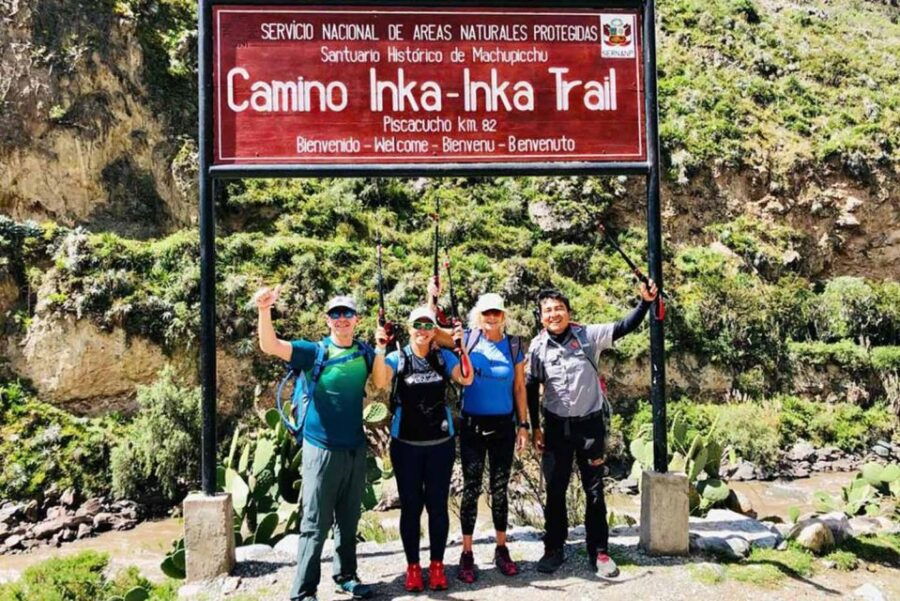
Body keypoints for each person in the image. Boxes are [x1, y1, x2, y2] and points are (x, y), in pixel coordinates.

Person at [526, 281, 659, 578]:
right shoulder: (536, 347)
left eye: (559, 308)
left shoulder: (588, 335)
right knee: (556, 491)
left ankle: (599, 551)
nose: (553, 314)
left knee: (595, 491)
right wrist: (535, 428)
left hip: (590, 425)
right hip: (556, 427)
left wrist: (645, 303)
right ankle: (554, 548)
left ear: (568, 312)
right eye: (547, 310)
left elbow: (624, 326)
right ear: (541, 316)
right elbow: (531, 385)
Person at [255, 286, 375, 601]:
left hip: (355, 448)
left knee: (349, 519)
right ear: (327, 320)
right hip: (320, 449)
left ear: (356, 319)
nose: (341, 319)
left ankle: (346, 576)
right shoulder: (314, 352)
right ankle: (304, 592)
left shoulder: (365, 352)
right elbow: (270, 345)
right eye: (335, 313)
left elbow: (384, 378)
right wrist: (264, 310)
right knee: (314, 523)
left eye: (347, 313)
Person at [428, 287, 529, 583]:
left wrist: (524, 425)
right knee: (471, 488)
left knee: (500, 489)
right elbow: (431, 331)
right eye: (487, 313)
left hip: (504, 427)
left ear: (504, 316)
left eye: (497, 312)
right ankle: (467, 552)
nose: (492, 317)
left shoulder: (514, 346)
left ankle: (501, 548)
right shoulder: (467, 339)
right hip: (472, 425)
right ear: (479, 316)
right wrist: (433, 296)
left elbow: (520, 387)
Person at [371, 306, 473, 593]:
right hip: (406, 447)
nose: (422, 330)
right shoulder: (398, 357)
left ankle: (437, 566)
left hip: (440, 446)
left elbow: (466, 378)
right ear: (409, 327)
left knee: (438, 508)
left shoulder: (443, 357)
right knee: (411, 508)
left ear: (432, 331)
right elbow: (379, 382)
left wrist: (460, 346)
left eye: (428, 325)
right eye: (417, 325)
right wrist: (380, 348)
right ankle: (413, 567)